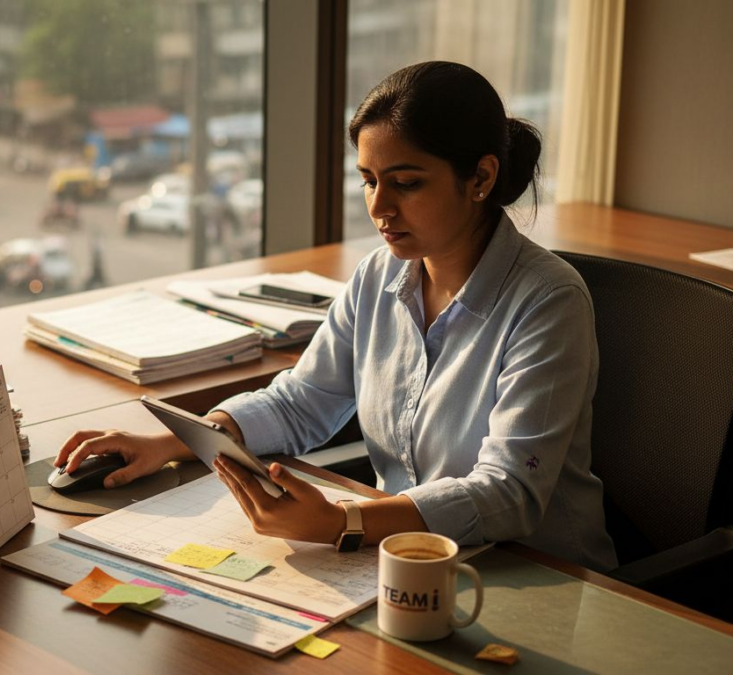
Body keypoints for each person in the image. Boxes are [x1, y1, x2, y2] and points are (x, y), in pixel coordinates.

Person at [54, 62, 618, 572]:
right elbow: (304, 401)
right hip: (399, 564)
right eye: (369, 180)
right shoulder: (379, 277)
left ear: (481, 178)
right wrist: (177, 441)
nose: (379, 207)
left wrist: (343, 523)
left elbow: (510, 492)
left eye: (406, 183)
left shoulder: (548, 300)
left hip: (536, 575)